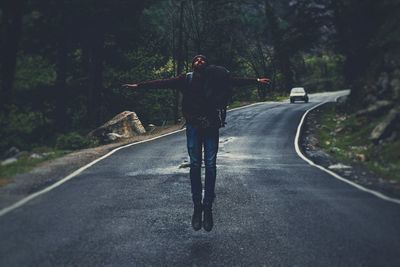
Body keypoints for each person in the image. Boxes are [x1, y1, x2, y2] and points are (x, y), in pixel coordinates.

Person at [123, 55, 270, 232]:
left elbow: (234, 81)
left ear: (207, 64)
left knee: (210, 165)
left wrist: (256, 80)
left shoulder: (216, 78)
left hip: (211, 126)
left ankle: (207, 207)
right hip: (193, 126)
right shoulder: (186, 79)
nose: (199, 61)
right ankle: (197, 206)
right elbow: (162, 83)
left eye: (202, 59)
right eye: (196, 60)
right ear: (192, 65)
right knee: (194, 164)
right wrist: (139, 86)